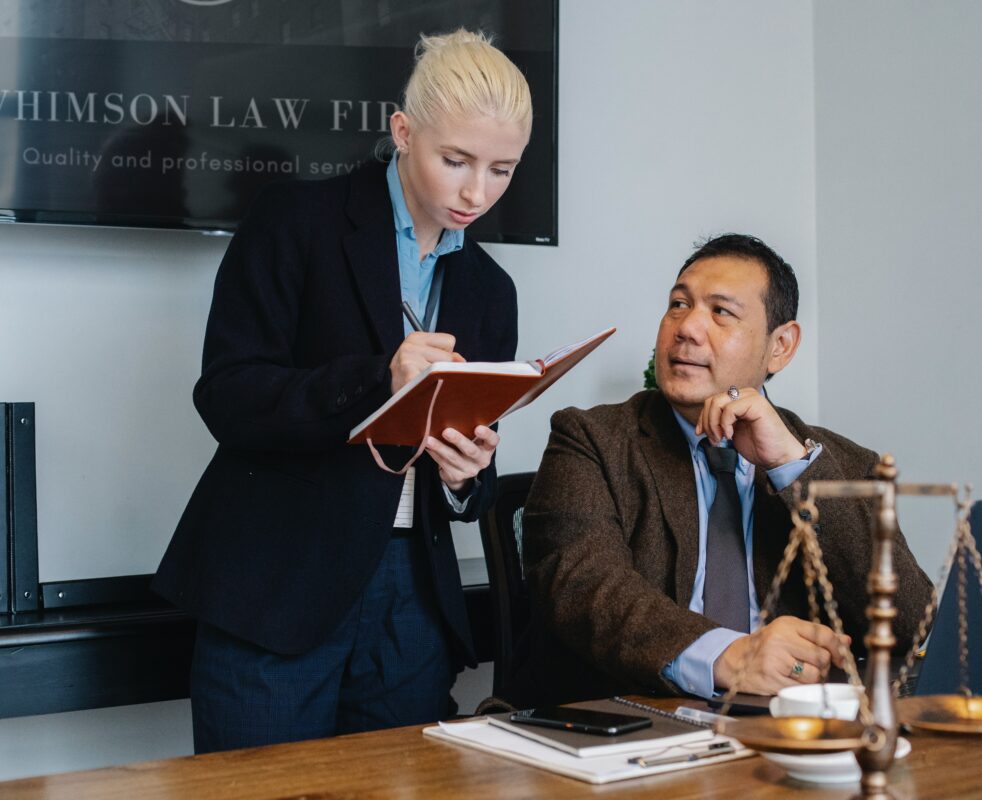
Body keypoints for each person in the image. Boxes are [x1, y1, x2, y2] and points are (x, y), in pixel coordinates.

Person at [153, 29, 532, 752]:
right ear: (402, 131)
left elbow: (469, 479)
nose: (476, 191)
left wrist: (467, 475)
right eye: (455, 160)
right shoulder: (295, 220)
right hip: (277, 584)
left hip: (412, 599)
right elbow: (227, 396)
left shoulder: (490, 290)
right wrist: (377, 378)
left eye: (502, 169)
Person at [514, 234, 933, 705]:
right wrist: (729, 655)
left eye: (721, 312)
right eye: (678, 304)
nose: (687, 327)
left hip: (791, 733)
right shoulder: (591, 440)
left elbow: (909, 623)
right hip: (632, 727)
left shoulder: (846, 464)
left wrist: (791, 468)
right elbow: (585, 591)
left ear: (781, 346)